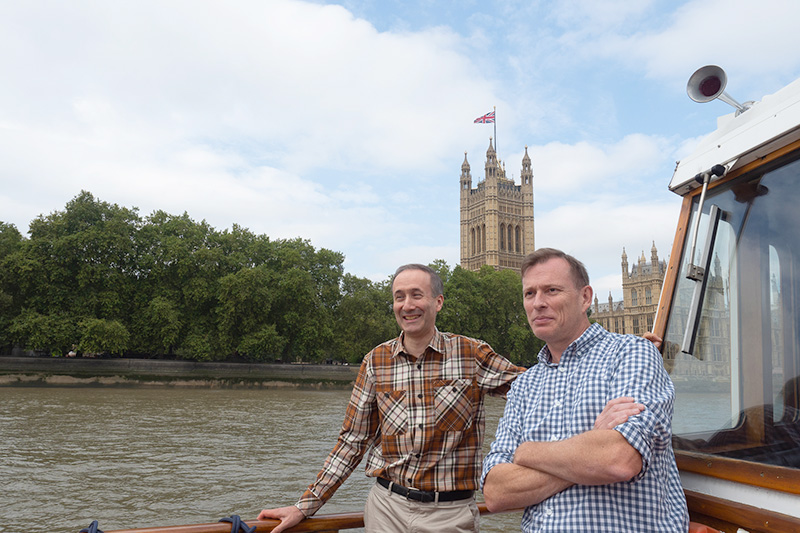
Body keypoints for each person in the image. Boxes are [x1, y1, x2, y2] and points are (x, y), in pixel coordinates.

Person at [258, 263, 525, 533]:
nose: (407, 305)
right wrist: (305, 506)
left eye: (417, 295)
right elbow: (352, 442)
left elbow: (534, 393)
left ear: (438, 302)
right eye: (400, 297)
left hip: (449, 515)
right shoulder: (376, 361)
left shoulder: (472, 354)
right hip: (385, 510)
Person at [481, 248, 689, 532]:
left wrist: (527, 453)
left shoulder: (631, 353)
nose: (538, 303)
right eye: (530, 294)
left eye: (552, 290)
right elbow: (496, 493)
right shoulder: (524, 385)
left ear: (585, 298)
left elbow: (618, 461)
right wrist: (593, 444)